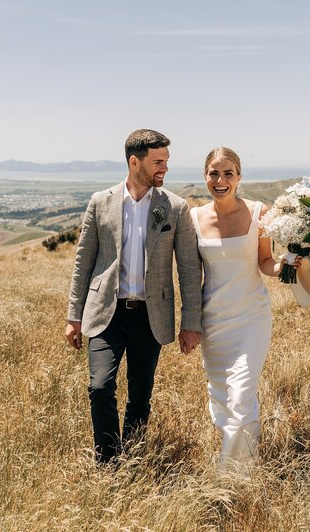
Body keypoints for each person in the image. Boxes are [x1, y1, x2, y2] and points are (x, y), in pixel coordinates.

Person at [65, 129, 203, 464]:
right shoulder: (101, 202)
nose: (164, 168)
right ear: (134, 161)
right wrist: (73, 315)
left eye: (166, 161)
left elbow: (187, 268)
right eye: (158, 162)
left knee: (140, 397)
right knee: (100, 388)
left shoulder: (175, 207)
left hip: (150, 315)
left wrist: (191, 323)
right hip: (105, 313)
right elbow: (83, 261)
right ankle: (109, 463)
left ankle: (134, 458)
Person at [190, 147, 298, 474]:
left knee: (241, 395)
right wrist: (189, 324)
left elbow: (265, 261)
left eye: (228, 173)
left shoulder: (258, 213)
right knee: (222, 400)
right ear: (205, 176)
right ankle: (242, 466)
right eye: (214, 173)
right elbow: (191, 276)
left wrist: (286, 264)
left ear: (239, 176)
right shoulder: (193, 218)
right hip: (214, 322)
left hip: (251, 318)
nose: (220, 180)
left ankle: (234, 478)